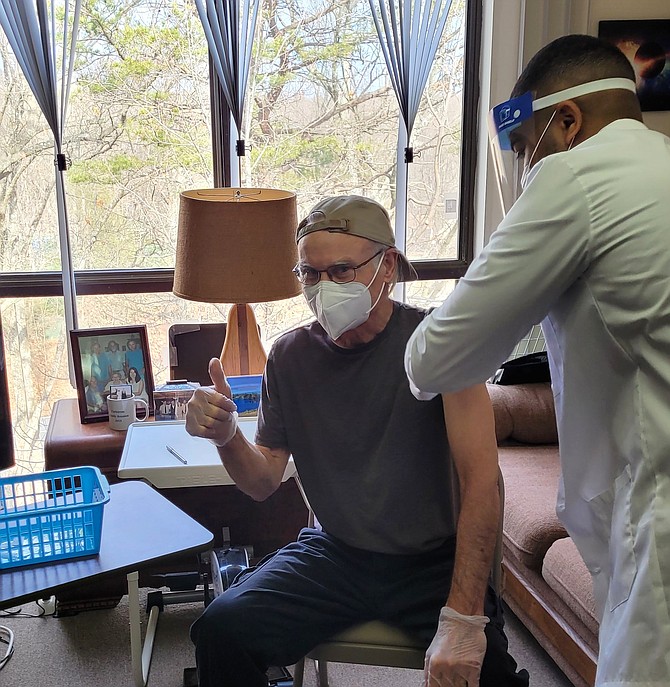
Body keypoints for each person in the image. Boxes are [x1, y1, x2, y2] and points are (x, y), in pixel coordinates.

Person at [404, 34, 670, 685]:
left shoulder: (576, 174)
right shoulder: (659, 165)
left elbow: (433, 359)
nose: (524, 169)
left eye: (523, 148)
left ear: (568, 120)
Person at [185, 195, 529, 687]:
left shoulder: (439, 343)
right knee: (220, 632)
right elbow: (262, 481)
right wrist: (226, 437)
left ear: (385, 265)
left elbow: (482, 484)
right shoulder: (289, 357)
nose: (323, 288)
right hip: (336, 554)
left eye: (341, 271)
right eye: (310, 274)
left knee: (485, 674)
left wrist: (463, 619)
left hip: (431, 562)